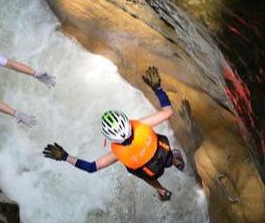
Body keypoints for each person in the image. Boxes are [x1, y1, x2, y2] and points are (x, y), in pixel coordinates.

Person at [42, 67, 184, 201]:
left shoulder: (117, 153)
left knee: (138, 170)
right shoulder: (142, 125)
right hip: (165, 155)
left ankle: (162, 190)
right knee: (160, 148)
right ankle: (176, 161)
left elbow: (91, 167)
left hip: (153, 172)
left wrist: (65, 157)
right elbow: (168, 111)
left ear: (110, 138)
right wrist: (157, 88)